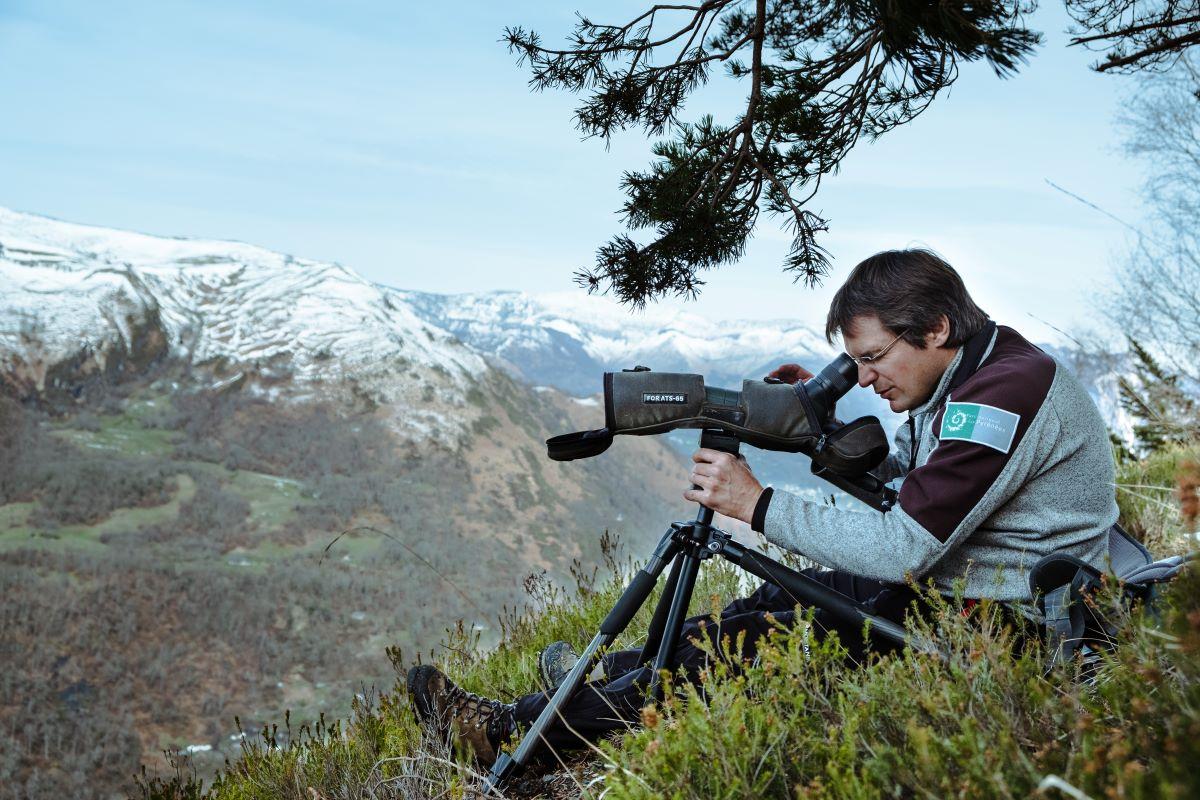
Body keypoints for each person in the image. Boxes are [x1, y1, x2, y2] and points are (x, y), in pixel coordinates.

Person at [407, 248, 1119, 766]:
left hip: (1006, 617)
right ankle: (605, 681)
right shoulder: (972, 370)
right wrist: (823, 437)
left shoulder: (997, 398)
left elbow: (904, 544)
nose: (866, 379)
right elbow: (917, 491)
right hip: (965, 578)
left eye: (873, 358)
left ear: (934, 328)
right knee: (758, 606)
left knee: (752, 645)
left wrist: (758, 504)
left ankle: (514, 736)